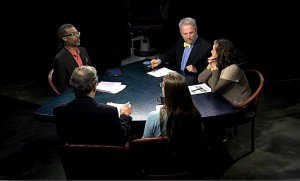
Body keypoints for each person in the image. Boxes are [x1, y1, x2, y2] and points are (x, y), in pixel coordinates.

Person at [53, 65, 132, 147]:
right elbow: (122, 135)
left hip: (76, 157)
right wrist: (124, 115)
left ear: (72, 86)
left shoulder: (59, 111)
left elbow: (62, 135)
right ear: (94, 86)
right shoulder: (109, 112)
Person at [198, 38, 251, 107]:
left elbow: (214, 89)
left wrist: (215, 69)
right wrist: (211, 67)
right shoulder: (216, 61)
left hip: (235, 105)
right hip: (220, 99)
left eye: (213, 50)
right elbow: (201, 80)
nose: (211, 51)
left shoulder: (233, 68)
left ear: (221, 53)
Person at [52, 23, 93, 93]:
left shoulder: (83, 50)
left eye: (78, 33)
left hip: (90, 89)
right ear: (64, 38)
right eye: (74, 34)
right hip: (76, 93)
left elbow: (91, 72)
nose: (78, 36)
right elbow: (63, 88)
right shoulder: (60, 59)